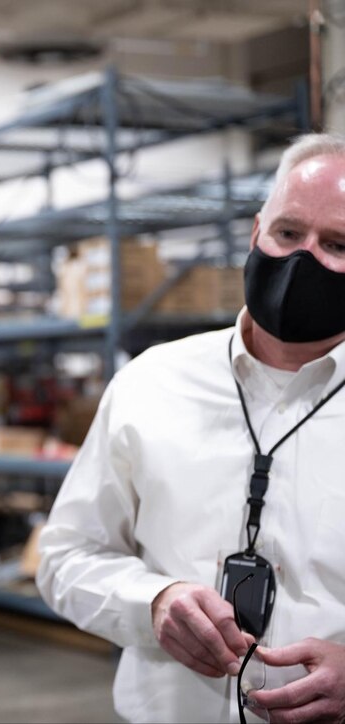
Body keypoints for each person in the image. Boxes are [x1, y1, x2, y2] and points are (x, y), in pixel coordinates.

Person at [36, 133, 345, 723]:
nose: (303, 259)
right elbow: (66, 557)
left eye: (337, 244)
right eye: (288, 233)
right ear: (257, 231)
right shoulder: (150, 384)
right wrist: (153, 600)